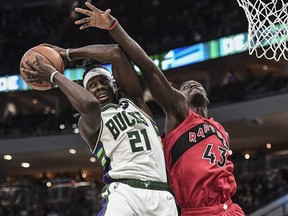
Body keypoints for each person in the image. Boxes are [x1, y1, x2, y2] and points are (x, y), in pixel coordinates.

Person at [74, 2, 245, 215]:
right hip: (197, 210)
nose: (192, 84)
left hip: (232, 208)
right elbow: (149, 68)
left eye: (196, 84)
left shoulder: (220, 130)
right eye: (185, 87)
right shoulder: (179, 114)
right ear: (179, 98)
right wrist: (114, 27)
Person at [21, 44, 178, 216]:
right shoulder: (89, 122)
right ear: (86, 91)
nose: (100, 87)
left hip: (162, 194)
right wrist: (54, 76)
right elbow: (90, 104)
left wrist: (68, 53)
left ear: (114, 85)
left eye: (104, 82)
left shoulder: (136, 104)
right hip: (124, 192)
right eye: (92, 85)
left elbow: (116, 52)